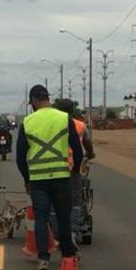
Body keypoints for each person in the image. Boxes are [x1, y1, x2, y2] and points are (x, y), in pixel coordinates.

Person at [16, 85, 84, 270]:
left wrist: (27, 179)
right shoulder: (64, 118)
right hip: (62, 177)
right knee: (63, 217)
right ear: (47, 98)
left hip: (38, 180)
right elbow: (77, 150)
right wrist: (74, 170)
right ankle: (68, 255)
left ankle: (43, 258)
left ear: (34, 100)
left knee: (41, 218)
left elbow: (20, 157)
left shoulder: (28, 122)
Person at [53, 98, 95, 245]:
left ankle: (54, 231)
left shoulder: (52, 124)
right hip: (72, 168)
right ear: (72, 111)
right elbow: (87, 144)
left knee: (54, 200)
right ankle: (72, 231)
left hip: (54, 167)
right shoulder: (80, 125)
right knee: (76, 201)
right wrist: (90, 154)